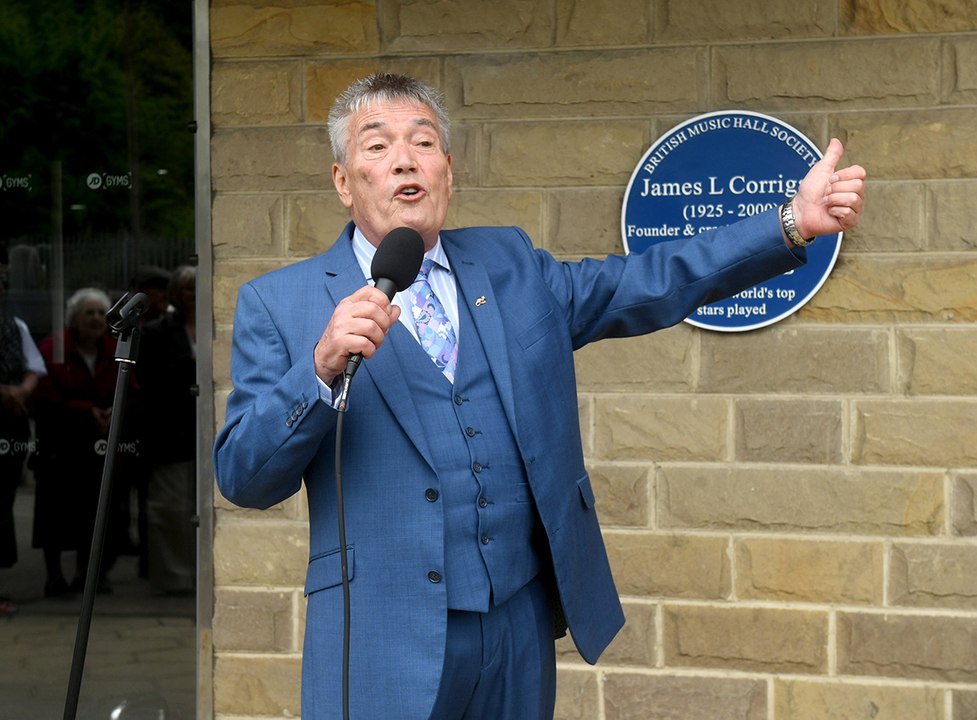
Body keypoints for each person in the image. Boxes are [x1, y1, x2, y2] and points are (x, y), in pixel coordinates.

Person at [214, 73, 866, 719]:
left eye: (423, 142)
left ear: (447, 170)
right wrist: (320, 371)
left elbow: (648, 281)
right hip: (380, 635)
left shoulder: (511, 264)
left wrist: (789, 223)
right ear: (342, 181)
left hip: (515, 625)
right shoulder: (281, 303)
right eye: (377, 147)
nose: (404, 160)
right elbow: (244, 476)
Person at [31, 287, 134, 596]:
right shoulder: (53, 347)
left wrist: (114, 409)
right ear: (73, 318)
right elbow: (44, 393)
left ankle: (84, 575)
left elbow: (132, 387)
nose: (93, 319)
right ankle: (54, 576)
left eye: (97, 313)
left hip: (97, 446)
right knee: (53, 513)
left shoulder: (114, 347)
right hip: (60, 445)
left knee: (93, 513)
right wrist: (85, 411)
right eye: (86, 313)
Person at [137, 265, 197, 595]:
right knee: (170, 508)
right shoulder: (156, 332)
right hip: (170, 434)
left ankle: (201, 574)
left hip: (204, 433)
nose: (194, 295)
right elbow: (150, 383)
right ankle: (174, 578)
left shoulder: (218, 328)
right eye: (188, 289)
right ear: (176, 294)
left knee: (200, 508)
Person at [0, 275, 46, 616]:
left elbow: (35, 368)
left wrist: (21, 391)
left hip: (9, 423)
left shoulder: (14, 325)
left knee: (3, 501)